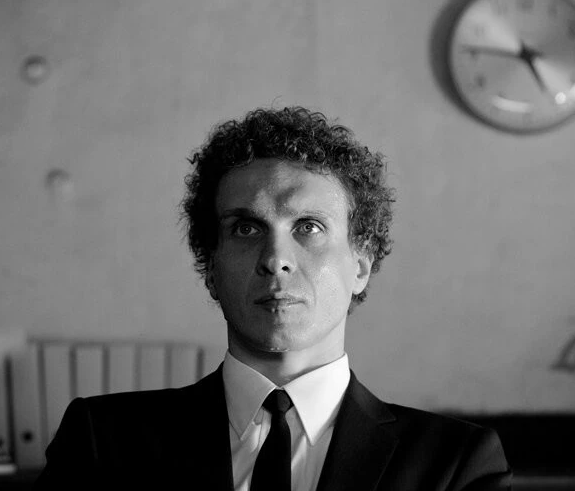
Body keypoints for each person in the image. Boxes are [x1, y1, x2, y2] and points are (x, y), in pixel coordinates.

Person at [34, 106, 512, 490]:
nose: (275, 258)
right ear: (210, 267)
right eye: (246, 228)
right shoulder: (101, 442)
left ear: (361, 266)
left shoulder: (455, 464)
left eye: (309, 227)